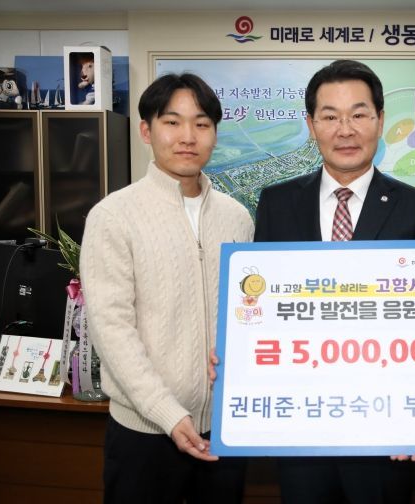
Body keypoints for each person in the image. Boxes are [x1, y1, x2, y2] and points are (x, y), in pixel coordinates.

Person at [211, 59, 415, 504]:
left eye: (359, 114)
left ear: (380, 120)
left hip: (385, 430)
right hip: (301, 429)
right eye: (330, 116)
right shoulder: (276, 202)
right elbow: (260, 308)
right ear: (311, 125)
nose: (345, 130)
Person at [80, 72, 254, 503]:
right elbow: (111, 329)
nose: (188, 136)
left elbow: (249, 316)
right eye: (172, 122)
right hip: (145, 433)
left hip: (222, 430)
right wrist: (167, 412)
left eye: (202, 123)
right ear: (147, 130)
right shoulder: (113, 216)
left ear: (215, 134)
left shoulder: (237, 217)